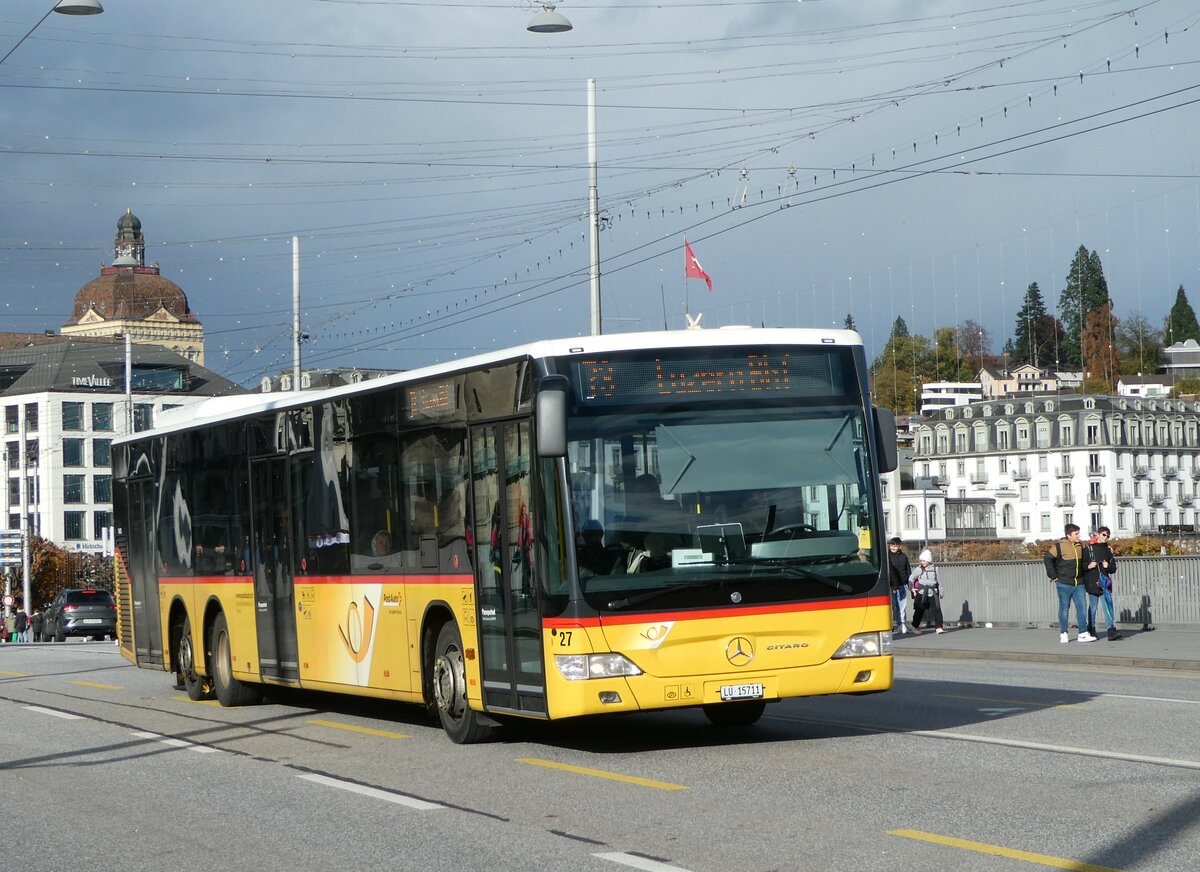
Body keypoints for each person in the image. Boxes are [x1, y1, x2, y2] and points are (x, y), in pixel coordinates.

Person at [1045, 523, 1096, 643]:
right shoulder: (1059, 546)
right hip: (1064, 583)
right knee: (1064, 608)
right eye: (1076, 534)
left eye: (1078, 533)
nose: (1078, 535)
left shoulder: (1080, 546)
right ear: (1069, 535)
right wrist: (1053, 575)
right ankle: (1063, 633)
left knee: (1082, 608)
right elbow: (1047, 558)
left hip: (1079, 583)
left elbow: (1086, 558)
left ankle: (1082, 633)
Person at [1085, 526, 1122, 641]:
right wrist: (1088, 566)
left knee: (1107, 606)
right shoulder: (1088, 549)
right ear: (1098, 534)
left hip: (1105, 583)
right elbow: (1083, 566)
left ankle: (1111, 629)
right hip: (1092, 582)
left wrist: (1108, 566)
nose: (1105, 537)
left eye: (1107, 536)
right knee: (1093, 607)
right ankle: (1091, 628)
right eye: (1103, 535)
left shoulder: (1108, 550)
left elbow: (1113, 568)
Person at [908, 549, 944, 634]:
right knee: (919, 610)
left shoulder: (935, 569)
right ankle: (915, 626)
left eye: (924, 560)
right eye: (921, 560)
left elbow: (939, 581)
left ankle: (939, 627)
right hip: (922, 592)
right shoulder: (918, 569)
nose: (922, 562)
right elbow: (911, 579)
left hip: (933, 592)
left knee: (937, 610)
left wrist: (941, 591)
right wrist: (912, 588)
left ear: (928, 560)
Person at [887, 537, 913, 634]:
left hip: (902, 584)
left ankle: (901, 624)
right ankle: (890, 625)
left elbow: (908, 569)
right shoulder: (887, 557)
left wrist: (910, 583)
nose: (893, 547)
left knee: (902, 607)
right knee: (892, 606)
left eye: (895, 546)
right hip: (891, 586)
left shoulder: (904, 556)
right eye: (891, 545)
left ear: (899, 546)